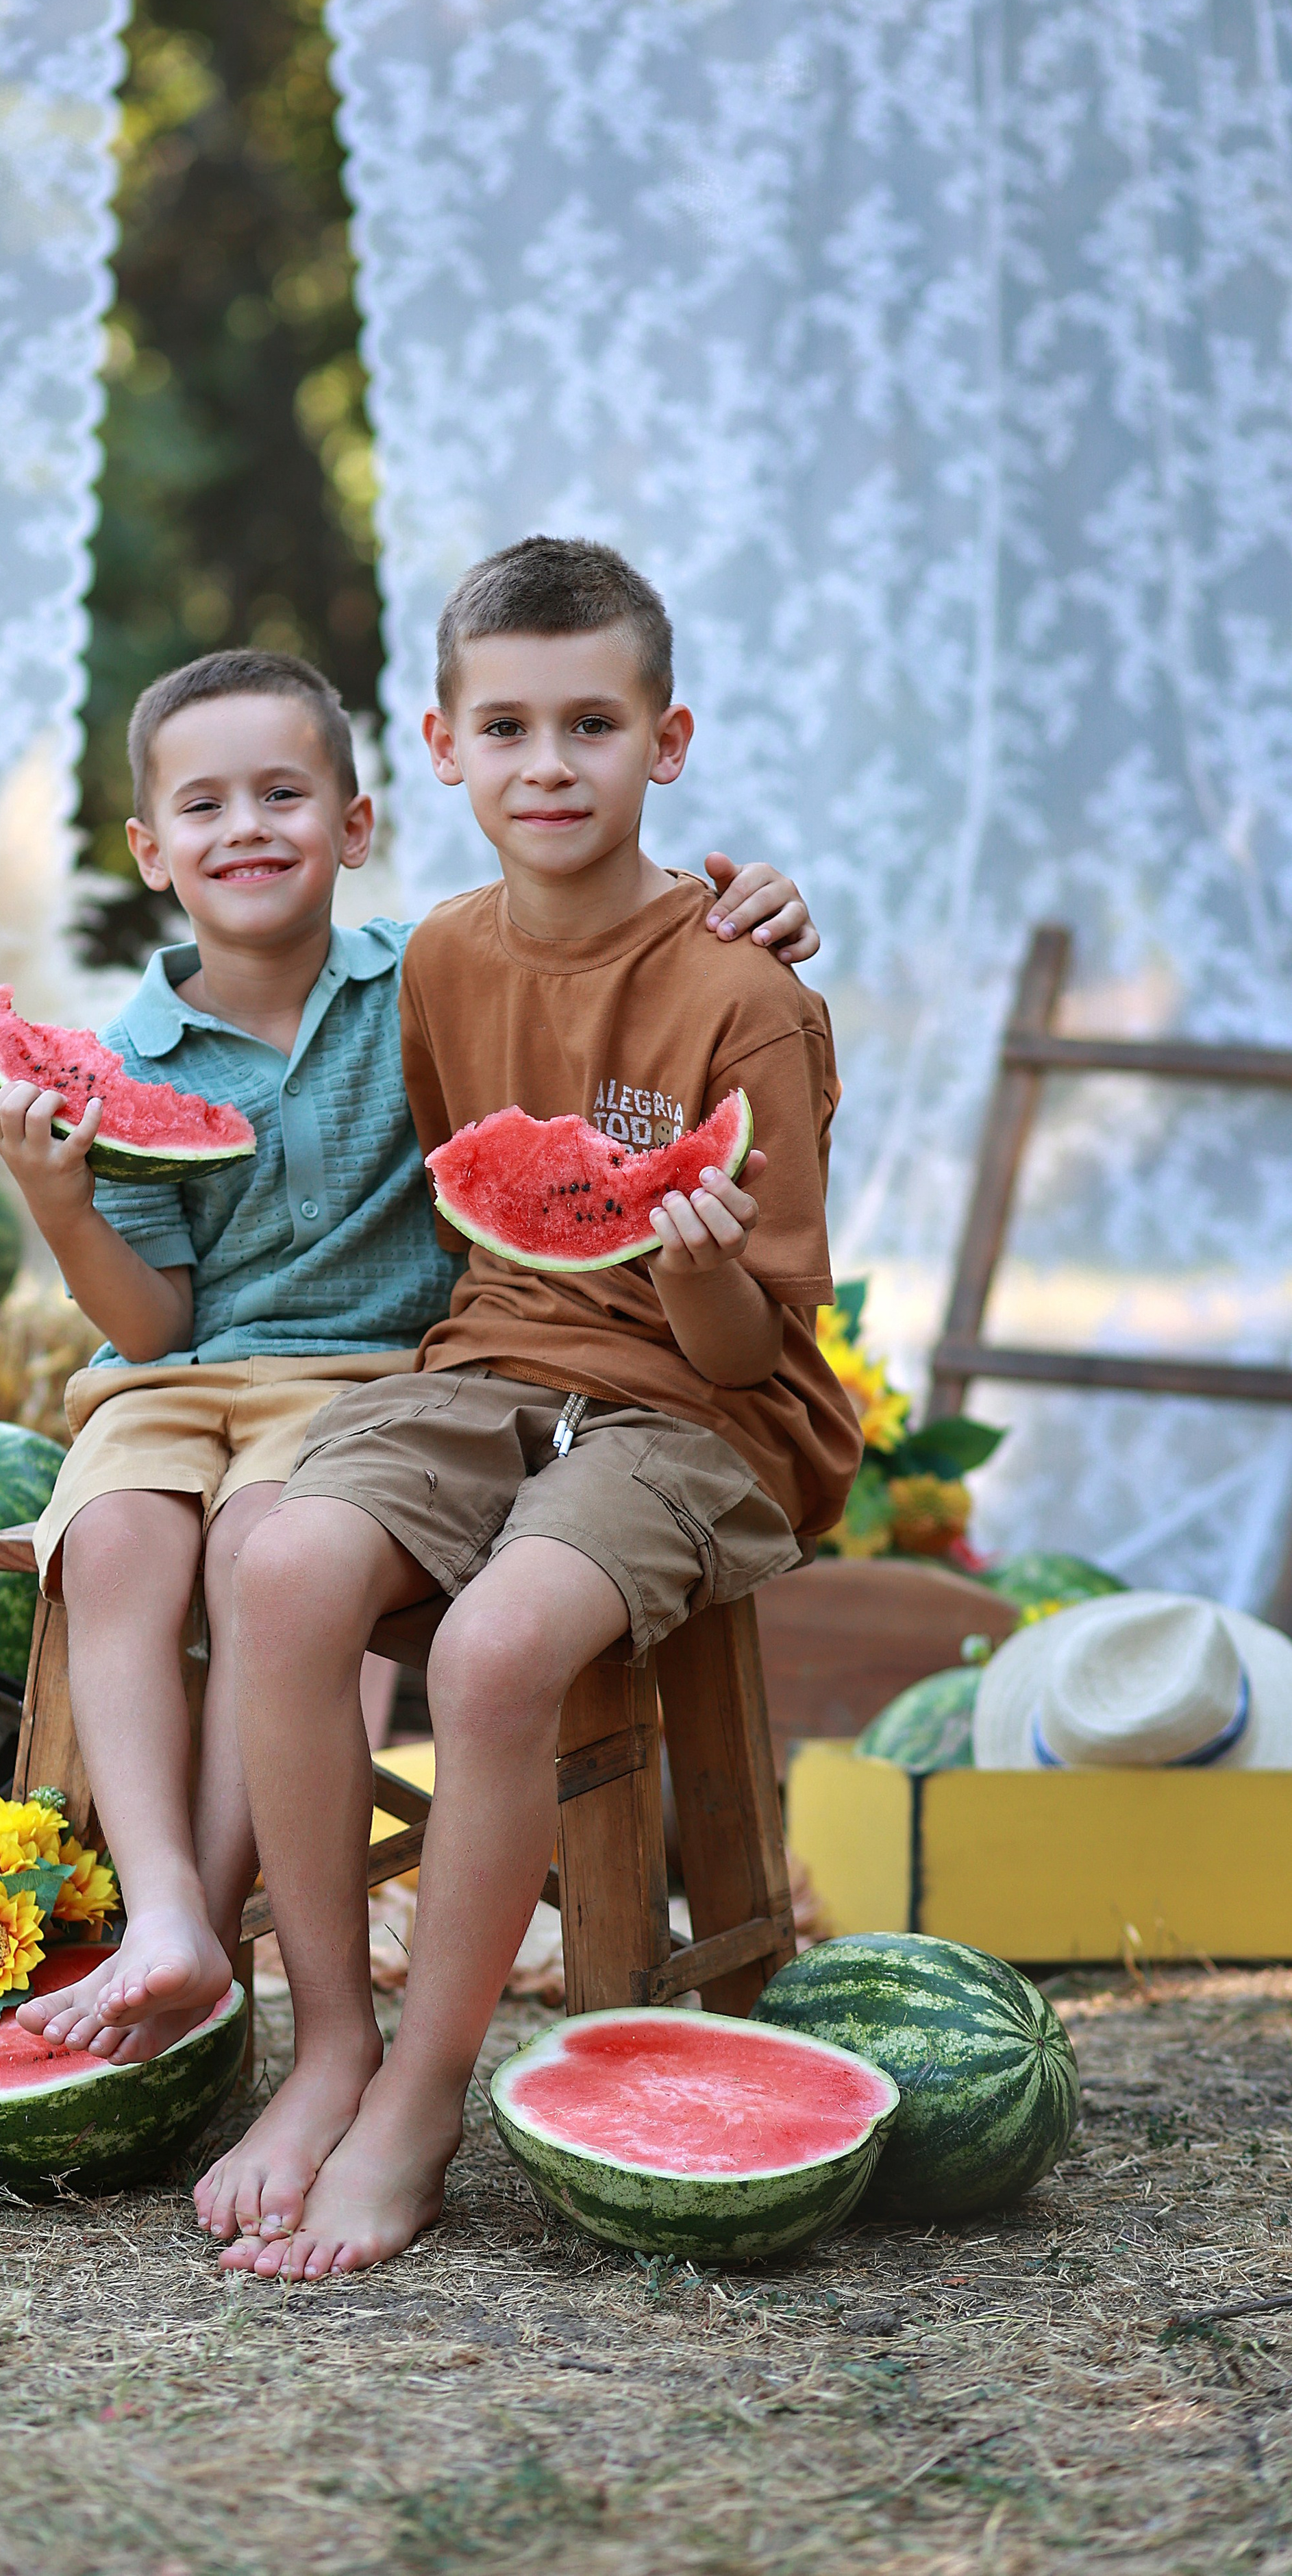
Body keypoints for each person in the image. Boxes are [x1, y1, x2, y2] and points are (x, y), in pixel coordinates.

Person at [0, 643, 821, 2068]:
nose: (244, 826)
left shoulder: (416, 977)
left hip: (389, 1377)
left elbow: (577, 983)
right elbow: (153, 1328)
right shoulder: (141, 1048)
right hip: (203, 1372)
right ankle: (170, 1912)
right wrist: (59, 1201)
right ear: (146, 850)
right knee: (115, 1540)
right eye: (203, 806)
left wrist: (735, 900)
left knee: (266, 1543)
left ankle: (221, 1949)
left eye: (281, 793)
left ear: (355, 822)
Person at [199, 541, 862, 2278]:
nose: (549, 763)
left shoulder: (747, 993)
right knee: (274, 1565)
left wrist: (695, 1258)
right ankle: (325, 2035)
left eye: (591, 723)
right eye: (508, 726)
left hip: (701, 1419)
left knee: (493, 1656)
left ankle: (421, 2091)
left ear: (668, 737)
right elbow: (465, 1206)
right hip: (488, 1367)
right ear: (438, 747)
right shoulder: (437, 957)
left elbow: (734, 1355)